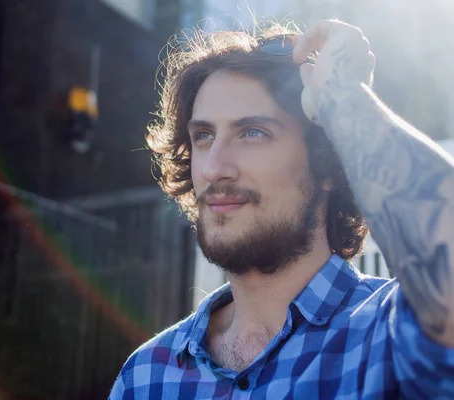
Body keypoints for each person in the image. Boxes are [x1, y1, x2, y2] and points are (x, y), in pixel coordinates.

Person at [109, 19, 454, 399]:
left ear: (326, 165)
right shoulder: (146, 376)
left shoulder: (391, 338)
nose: (213, 167)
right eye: (203, 136)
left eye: (253, 132)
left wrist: (342, 97)